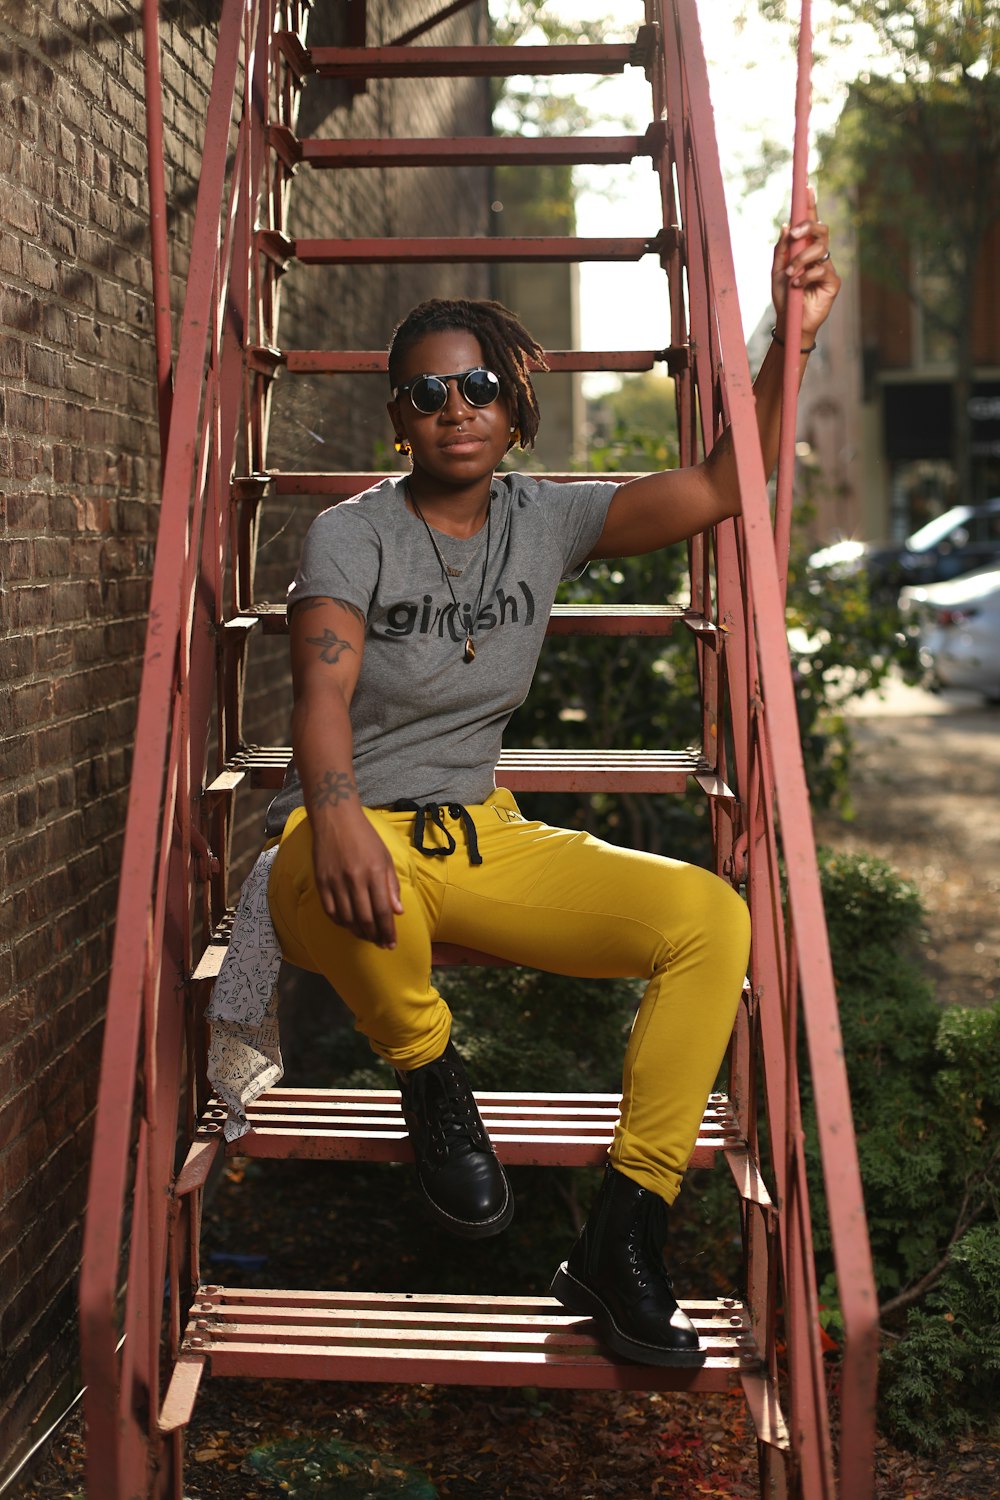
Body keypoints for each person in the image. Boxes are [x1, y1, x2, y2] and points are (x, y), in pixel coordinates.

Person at [259, 196, 840, 1367]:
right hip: (340, 832)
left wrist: (795, 331)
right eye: (427, 394)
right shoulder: (352, 535)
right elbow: (319, 695)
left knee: (709, 917)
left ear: (511, 407)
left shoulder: (549, 518)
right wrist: (336, 818)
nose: (453, 409)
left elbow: (728, 482)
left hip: (481, 834)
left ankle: (624, 1234)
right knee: (341, 883)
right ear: (397, 421)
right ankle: (433, 1080)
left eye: (474, 387)